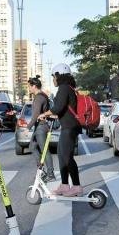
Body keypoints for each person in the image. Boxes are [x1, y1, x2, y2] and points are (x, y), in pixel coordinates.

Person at [37, 63, 81, 197]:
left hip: (70, 127)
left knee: (67, 157)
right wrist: (52, 116)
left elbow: (58, 107)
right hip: (68, 126)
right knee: (62, 156)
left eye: (53, 76)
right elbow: (63, 110)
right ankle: (64, 185)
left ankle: (77, 187)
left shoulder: (64, 88)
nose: (53, 79)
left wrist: (44, 114)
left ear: (58, 75)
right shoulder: (69, 88)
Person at [27, 76, 56, 182]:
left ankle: (50, 174)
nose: (29, 89)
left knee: (44, 151)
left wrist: (28, 127)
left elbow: (35, 114)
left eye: (29, 87)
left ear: (34, 86)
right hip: (40, 127)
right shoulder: (42, 96)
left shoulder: (39, 97)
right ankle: (41, 170)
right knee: (32, 147)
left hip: (41, 127)